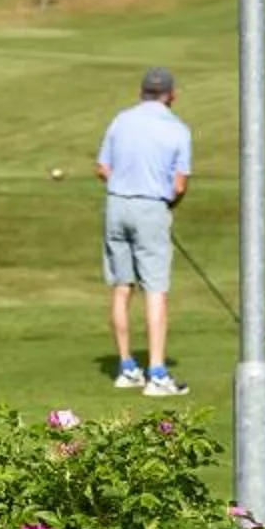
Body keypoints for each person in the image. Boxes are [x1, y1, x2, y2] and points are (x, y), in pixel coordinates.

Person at [95, 65, 193, 397]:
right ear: (172, 96)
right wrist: (161, 206)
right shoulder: (178, 129)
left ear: (141, 93)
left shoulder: (121, 120)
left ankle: (126, 369)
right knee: (156, 290)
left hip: (116, 205)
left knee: (123, 287)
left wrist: (127, 186)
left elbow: (103, 168)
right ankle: (157, 374)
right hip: (150, 208)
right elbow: (179, 185)